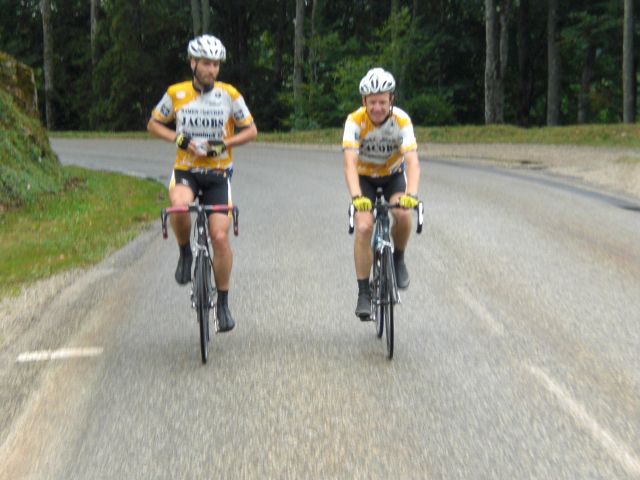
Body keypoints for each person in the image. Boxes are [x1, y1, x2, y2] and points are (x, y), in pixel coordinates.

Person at [147, 34, 257, 332]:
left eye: (216, 64)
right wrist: (178, 138)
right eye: (207, 63)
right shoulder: (176, 93)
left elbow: (251, 130)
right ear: (193, 63)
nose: (212, 70)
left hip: (219, 174)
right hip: (187, 170)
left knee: (219, 238)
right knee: (179, 207)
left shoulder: (230, 95)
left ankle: (222, 303)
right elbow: (153, 123)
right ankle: (185, 252)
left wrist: (225, 143)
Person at [342, 67, 421, 320]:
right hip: (364, 177)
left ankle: (398, 259)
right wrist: (357, 197)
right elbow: (349, 163)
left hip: (392, 176)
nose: (377, 107)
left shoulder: (401, 121)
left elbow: (412, 161)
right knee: (364, 227)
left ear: (391, 101)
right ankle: (363, 292)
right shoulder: (354, 121)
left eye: (383, 102)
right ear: (364, 101)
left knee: (403, 213)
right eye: (372, 102)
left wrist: (412, 193)